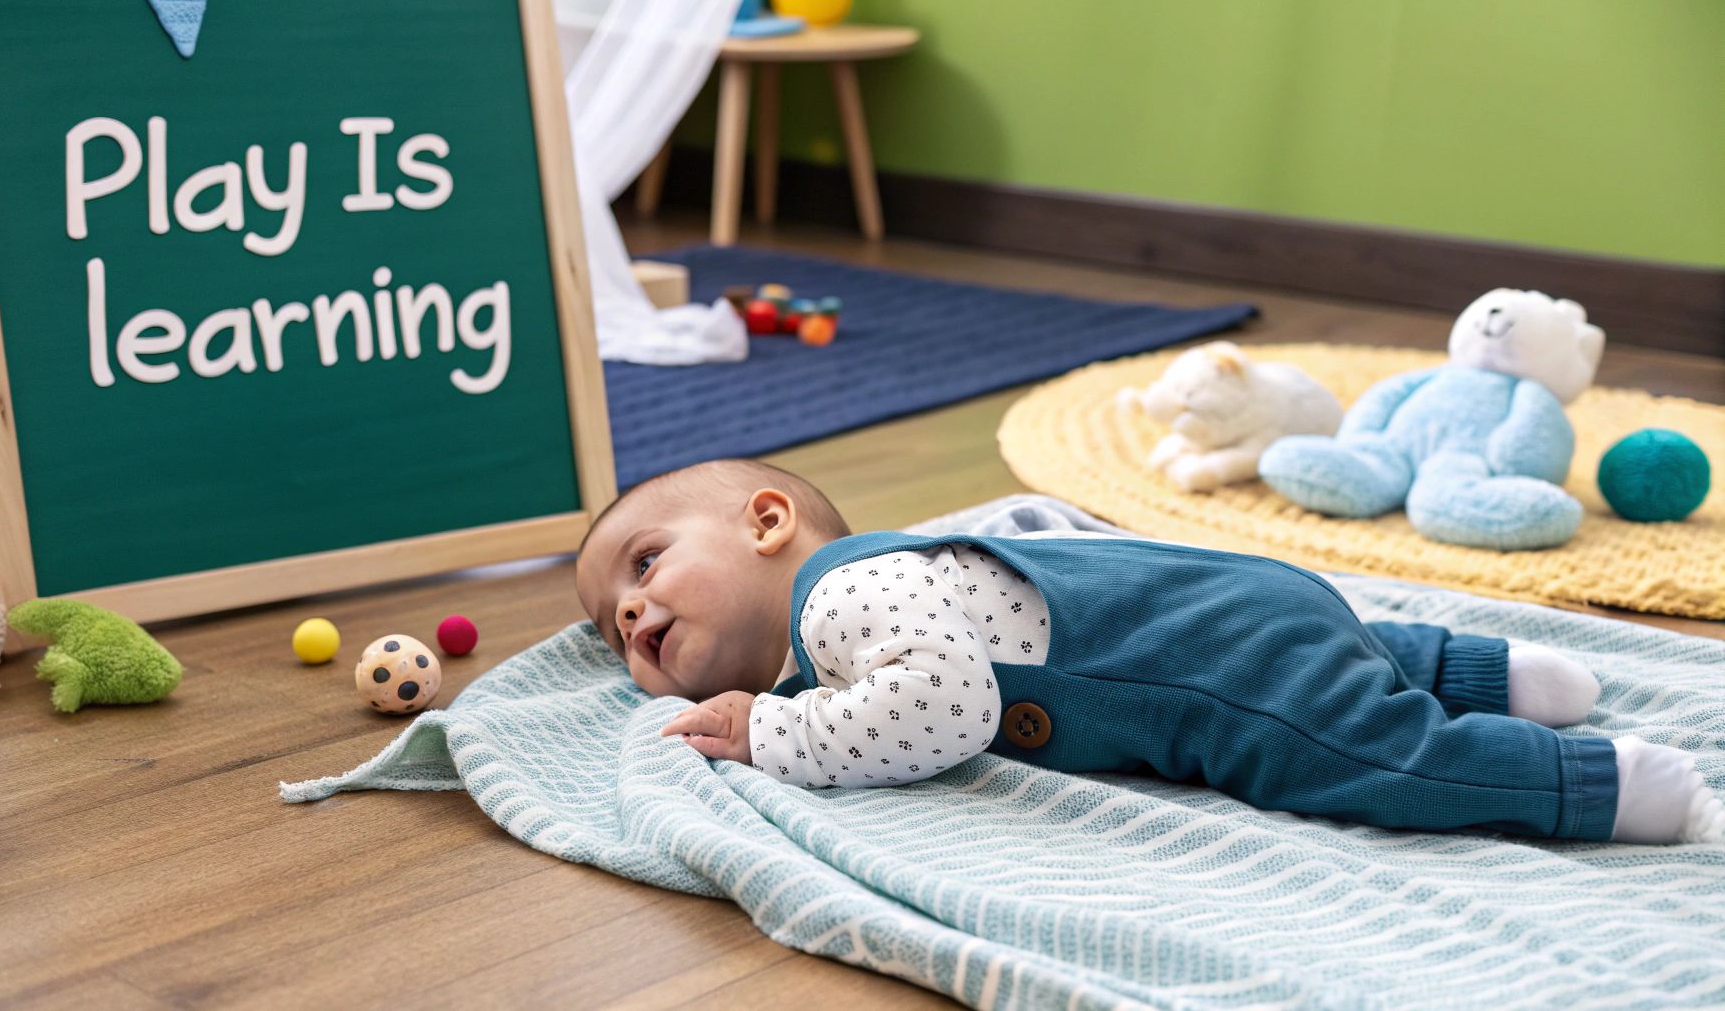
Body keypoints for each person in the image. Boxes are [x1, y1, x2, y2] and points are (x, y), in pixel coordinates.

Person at [574, 458, 1724, 844]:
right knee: (1355, 652)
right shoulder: (903, 565)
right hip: (1244, 595)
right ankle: (1485, 671)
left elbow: (942, 708)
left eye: (641, 565)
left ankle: (1600, 785)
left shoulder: (841, 595)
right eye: (608, 630)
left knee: (1375, 757)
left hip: (1222, 672)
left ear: (769, 524)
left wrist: (769, 728)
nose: (629, 618)